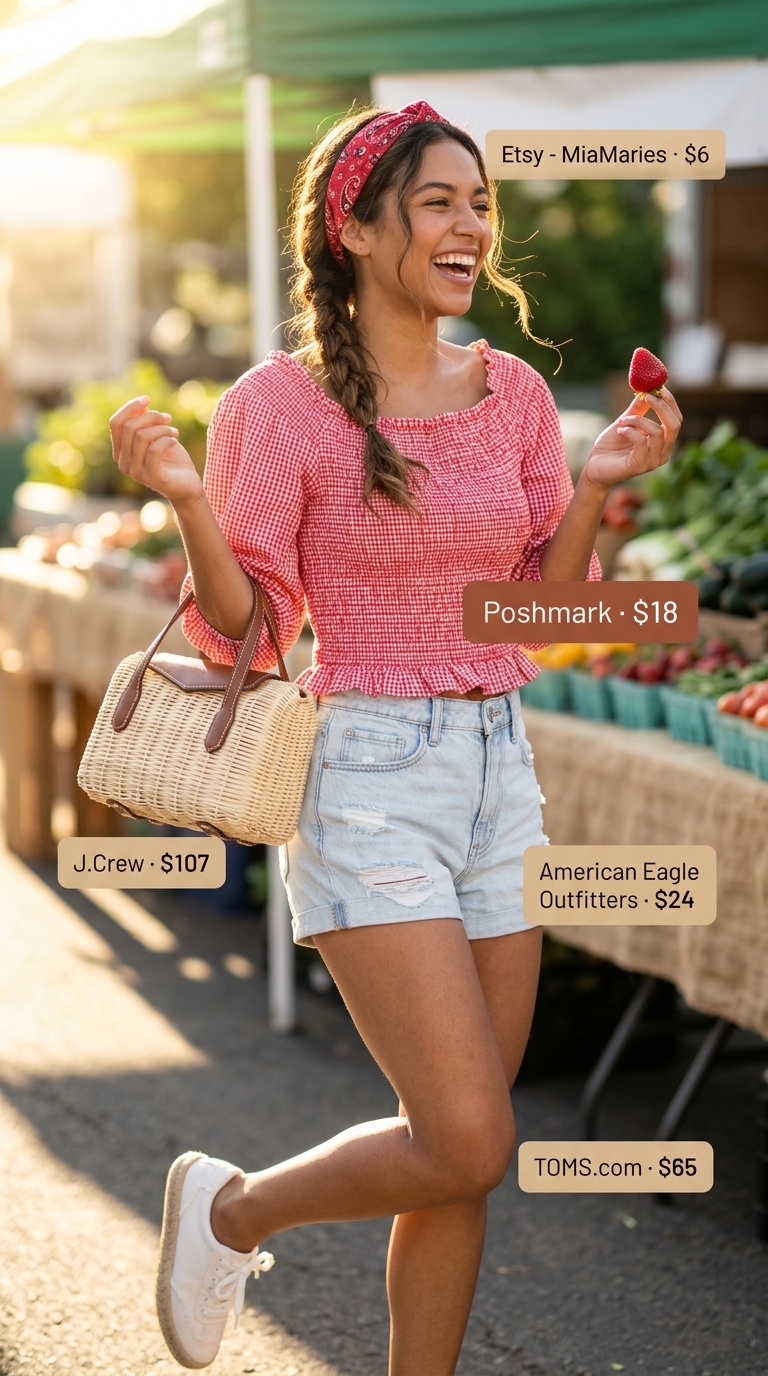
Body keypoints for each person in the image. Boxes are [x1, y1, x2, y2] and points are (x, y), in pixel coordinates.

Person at [109, 103, 681, 1375]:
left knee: (455, 1152)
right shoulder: (278, 406)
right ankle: (232, 1209)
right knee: (470, 1135)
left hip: (501, 771)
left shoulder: (515, 391)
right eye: (437, 201)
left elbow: (546, 611)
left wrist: (598, 484)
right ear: (357, 228)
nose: (471, 225)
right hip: (365, 775)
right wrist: (192, 502)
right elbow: (246, 629)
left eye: (481, 202)